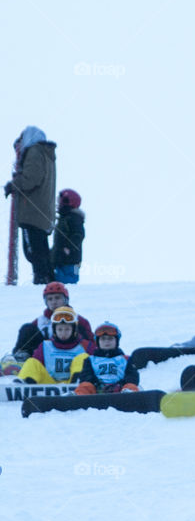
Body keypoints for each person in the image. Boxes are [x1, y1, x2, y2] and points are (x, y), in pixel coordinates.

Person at [4, 126, 57, 284]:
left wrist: (14, 184)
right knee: (41, 249)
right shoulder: (47, 154)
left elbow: (31, 178)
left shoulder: (34, 151)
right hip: (42, 210)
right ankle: (48, 279)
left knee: (33, 251)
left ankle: (41, 281)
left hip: (31, 212)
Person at [11, 281, 94, 359]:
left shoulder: (79, 320)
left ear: (66, 299)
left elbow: (90, 342)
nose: (54, 302)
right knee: (27, 328)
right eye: (50, 299)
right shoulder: (40, 321)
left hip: (72, 354)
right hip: (46, 355)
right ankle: (21, 358)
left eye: (57, 298)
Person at [17, 306, 93, 384]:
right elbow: (35, 368)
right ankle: (22, 386)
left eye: (67, 329)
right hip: (50, 385)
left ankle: (77, 382)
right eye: (60, 329)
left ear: (74, 330)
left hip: (76, 387)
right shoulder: (45, 346)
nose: (63, 333)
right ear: (54, 330)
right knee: (32, 362)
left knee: (83, 357)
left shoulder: (86, 346)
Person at [75, 322, 140, 394]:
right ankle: (76, 399)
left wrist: (121, 384)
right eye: (103, 339)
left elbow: (132, 376)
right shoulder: (91, 360)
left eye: (110, 339)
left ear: (116, 341)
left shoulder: (125, 359)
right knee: (85, 386)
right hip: (96, 392)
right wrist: (97, 384)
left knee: (131, 386)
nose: (107, 342)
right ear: (98, 341)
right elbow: (85, 376)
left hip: (121, 391)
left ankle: (130, 396)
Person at [51, 188, 85, 284]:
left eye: (60, 201)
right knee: (60, 279)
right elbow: (59, 240)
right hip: (61, 258)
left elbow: (79, 235)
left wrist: (69, 247)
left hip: (72, 260)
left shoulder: (74, 218)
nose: (58, 204)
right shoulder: (64, 218)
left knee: (70, 280)